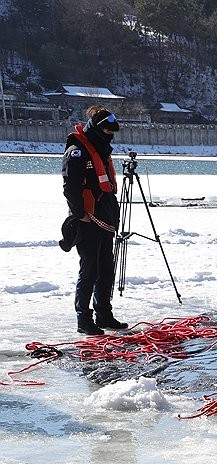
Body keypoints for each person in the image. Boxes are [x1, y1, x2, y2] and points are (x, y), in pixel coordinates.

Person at [61, 106, 128, 336]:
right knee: (89, 269)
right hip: (87, 219)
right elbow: (70, 187)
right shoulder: (77, 150)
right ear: (98, 129)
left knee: (106, 268)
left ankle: (104, 314)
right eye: (108, 131)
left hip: (105, 217)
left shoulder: (101, 150)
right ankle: (84, 318)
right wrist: (80, 214)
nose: (110, 136)